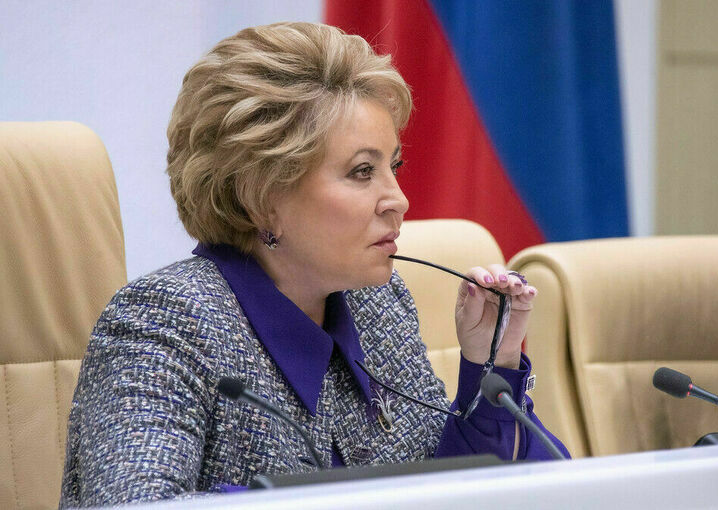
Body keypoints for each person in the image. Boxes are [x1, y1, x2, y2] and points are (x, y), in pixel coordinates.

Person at [59, 21, 568, 508]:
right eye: (362, 171)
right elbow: (136, 504)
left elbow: (466, 493)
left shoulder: (377, 302)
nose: (399, 200)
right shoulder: (164, 322)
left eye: (393, 166)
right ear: (260, 199)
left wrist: (491, 367)